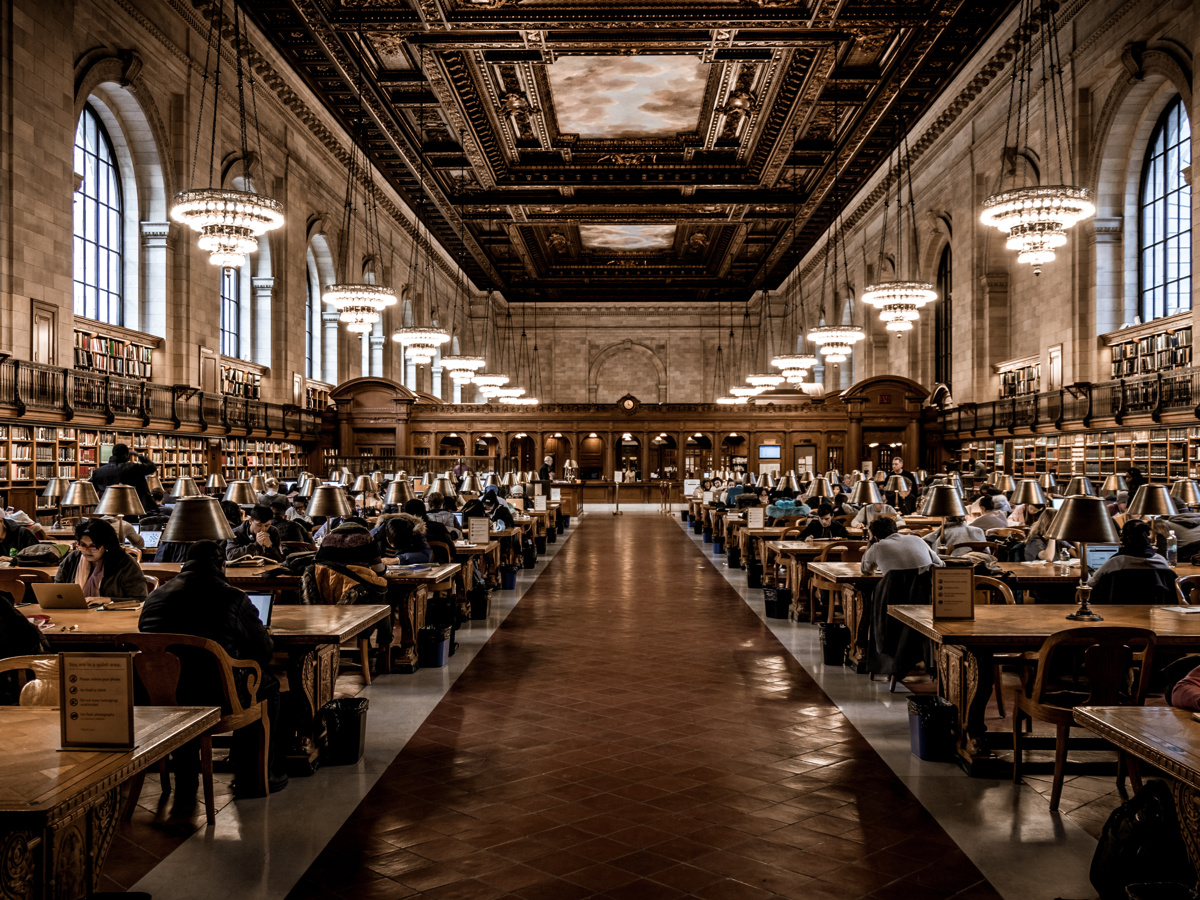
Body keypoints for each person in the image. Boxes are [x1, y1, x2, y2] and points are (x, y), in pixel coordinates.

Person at [139, 540, 286, 804]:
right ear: (221, 565)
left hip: (164, 696)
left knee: (186, 681)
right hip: (218, 694)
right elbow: (263, 653)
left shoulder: (155, 597)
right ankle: (252, 774)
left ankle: (186, 771)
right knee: (268, 687)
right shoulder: (233, 596)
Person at [55, 518, 148, 605]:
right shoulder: (72, 559)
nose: (87, 550)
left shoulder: (125, 563)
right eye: (83, 545)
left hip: (114, 618)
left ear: (107, 545)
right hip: (76, 615)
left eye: (93, 546)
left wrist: (108, 600)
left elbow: (141, 599)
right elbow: (57, 591)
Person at [1088, 519, 1171, 589]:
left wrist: (1086, 575)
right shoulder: (1161, 561)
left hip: (1118, 607)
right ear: (1148, 539)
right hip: (1154, 607)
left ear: (1124, 539)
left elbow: (1090, 584)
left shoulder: (1116, 562)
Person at [861, 516, 944, 575]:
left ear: (875, 537)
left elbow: (866, 570)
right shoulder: (917, 539)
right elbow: (940, 564)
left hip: (896, 596)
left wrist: (870, 542)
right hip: (925, 595)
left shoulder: (877, 547)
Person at [89, 442, 158, 514]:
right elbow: (152, 467)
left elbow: (90, 489)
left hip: (106, 510)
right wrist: (138, 455)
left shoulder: (99, 472)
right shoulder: (133, 468)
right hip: (130, 510)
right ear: (126, 455)